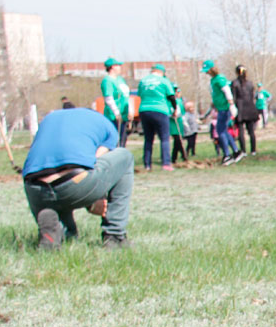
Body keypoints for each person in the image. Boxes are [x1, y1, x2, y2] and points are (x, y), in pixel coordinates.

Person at [21, 107, 134, 250]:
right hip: (75, 182)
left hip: (35, 188)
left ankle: (58, 233)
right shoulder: (106, 124)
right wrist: (94, 200)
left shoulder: (48, 120)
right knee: (125, 157)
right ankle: (115, 236)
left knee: (67, 231)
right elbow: (97, 160)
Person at [137, 63, 177, 171]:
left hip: (144, 110)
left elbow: (140, 95)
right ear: (162, 72)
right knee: (164, 138)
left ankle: (147, 164)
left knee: (148, 139)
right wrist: (175, 109)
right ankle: (166, 163)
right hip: (160, 110)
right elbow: (171, 96)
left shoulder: (143, 80)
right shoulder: (164, 81)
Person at [202, 60, 241, 164]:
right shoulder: (213, 80)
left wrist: (231, 104)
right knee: (223, 130)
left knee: (220, 131)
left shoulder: (220, 78)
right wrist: (214, 103)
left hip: (225, 108)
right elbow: (216, 93)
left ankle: (227, 155)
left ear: (212, 69)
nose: (206, 73)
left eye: (207, 70)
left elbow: (226, 91)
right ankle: (236, 151)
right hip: (220, 108)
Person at [100, 57, 131, 147]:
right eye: (118, 65)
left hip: (124, 114)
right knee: (116, 140)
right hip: (114, 116)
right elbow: (108, 98)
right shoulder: (107, 81)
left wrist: (130, 110)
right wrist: (116, 112)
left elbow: (126, 95)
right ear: (112, 67)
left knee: (123, 139)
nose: (120, 67)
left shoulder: (120, 79)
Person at [232, 65, 260, 156]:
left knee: (241, 131)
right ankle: (253, 150)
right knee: (251, 131)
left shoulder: (234, 83)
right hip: (250, 108)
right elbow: (252, 96)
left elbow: (234, 97)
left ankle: (243, 151)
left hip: (240, 109)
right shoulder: (250, 83)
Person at [169, 86, 188, 164]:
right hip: (173, 122)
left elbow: (182, 111)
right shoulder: (170, 102)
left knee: (178, 141)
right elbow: (170, 111)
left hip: (179, 122)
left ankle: (174, 158)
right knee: (178, 139)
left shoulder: (180, 101)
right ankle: (184, 156)